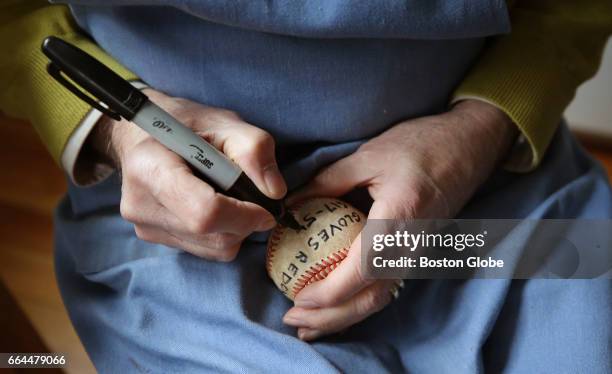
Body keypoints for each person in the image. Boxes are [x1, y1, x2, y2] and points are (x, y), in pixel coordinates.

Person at [1, 0, 611, 372]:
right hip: (176, 217)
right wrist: (117, 130)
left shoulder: (478, 152)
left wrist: (479, 130)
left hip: (485, 174)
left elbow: (571, 8)